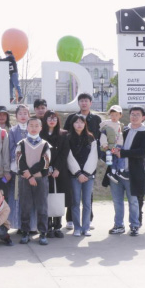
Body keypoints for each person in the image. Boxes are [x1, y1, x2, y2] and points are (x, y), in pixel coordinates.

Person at [110, 107, 145, 237]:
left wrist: (122, 153)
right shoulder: (124, 130)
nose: (134, 117)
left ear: (143, 117)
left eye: (137, 115)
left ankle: (134, 226)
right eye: (132, 114)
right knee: (117, 201)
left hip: (132, 173)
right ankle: (118, 225)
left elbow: (141, 152)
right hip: (117, 171)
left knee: (133, 201)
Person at [63, 93, 101, 230]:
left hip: (89, 160)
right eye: (81, 101)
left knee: (87, 197)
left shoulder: (96, 119)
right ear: (78, 103)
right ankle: (70, 220)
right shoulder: (72, 118)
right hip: (73, 166)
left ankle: (88, 220)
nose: (84, 103)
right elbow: (65, 134)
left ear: (90, 103)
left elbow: (100, 136)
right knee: (73, 195)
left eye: (86, 101)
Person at [17, 117, 51, 245]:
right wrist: (29, 176)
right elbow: (19, 161)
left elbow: (45, 163)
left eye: (36, 125)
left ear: (41, 128)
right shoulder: (21, 143)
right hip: (25, 180)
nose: (33, 128)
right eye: (31, 125)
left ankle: (43, 233)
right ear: (27, 127)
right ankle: (25, 232)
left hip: (40, 179)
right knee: (25, 206)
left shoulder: (45, 144)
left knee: (42, 207)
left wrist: (32, 174)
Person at [40, 110, 70, 238]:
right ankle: (47, 227)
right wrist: (46, 168)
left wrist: (57, 168)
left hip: (59, 172)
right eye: (49, 118)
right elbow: (39, 154)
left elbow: (64, 153)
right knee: (46, 198)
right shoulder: (40, 134)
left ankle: (57, 226)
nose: (52, 121)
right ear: (45, 120)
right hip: (44, 171)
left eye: (54, 119)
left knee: (58, 198)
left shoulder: (63, 134)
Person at [66, 114, 98, 237]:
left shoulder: (91, 138)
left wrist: (86, 173)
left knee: (87, 202)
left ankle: (86, 227)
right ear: (72, 124)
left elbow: (93, 157)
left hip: (88, 176)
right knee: (75, 202)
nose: (79, 124)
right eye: (76, 122)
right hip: (74, 176)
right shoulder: (68, 138)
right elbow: (69, 156)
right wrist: (78, 173)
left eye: (81, 122)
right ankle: (77, 228)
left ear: (85, 124)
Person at [7, 104, 31, 232]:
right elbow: (10, 147)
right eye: (20, 114)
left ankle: (30, 225)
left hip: (31, 168)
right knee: (16, 196)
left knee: (29, 197)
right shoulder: (13, 130)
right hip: (16, 168)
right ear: (16, 116)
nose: (23, 116)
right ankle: (17, 224)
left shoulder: (32, 128)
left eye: (25, 113)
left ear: (29, 115)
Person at [100, 105, 125, 184]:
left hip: (119, 146)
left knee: (120, 157)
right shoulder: (107, 124)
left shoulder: (120, 125)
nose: (114, 117)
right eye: (112, 115)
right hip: (112, 146)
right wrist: (104, 144)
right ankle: (114, 171)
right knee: (113, 159)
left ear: (120, 115)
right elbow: (103, 135)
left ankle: (120, 170)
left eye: (116, 115)